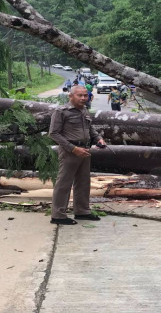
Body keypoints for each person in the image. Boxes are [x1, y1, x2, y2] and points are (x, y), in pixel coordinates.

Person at [48, 85, 106, 225]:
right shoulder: (61, 112)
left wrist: (98, 138)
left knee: (83, 182)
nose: (83, 98)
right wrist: (73, 149)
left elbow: (90, 128)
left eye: (85, 95)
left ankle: (82, 211)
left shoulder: (84, 110)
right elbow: (54, 133)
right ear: (71, 96)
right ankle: (58, 215)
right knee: (64, 183)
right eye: (79, 95)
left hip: (85, 150)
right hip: (70, 152)